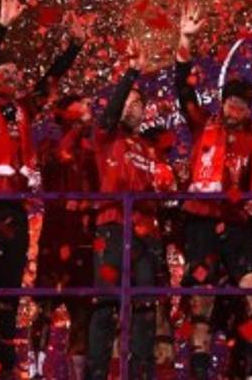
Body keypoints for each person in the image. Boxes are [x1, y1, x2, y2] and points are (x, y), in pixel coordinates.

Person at [0, 0, 80, 380]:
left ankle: (5, 363)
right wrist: (1, 27)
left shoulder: (24, 109)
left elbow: (51, 80)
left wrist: (74, 47)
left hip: (14, 210)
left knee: (10, 291)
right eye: (3, 74)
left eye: (15, 75)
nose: (9, 78)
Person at [173, 5, 252, 380]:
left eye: (242, 104)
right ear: (222, 102)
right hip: (201, 220)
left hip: (238, 223)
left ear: (249, 110)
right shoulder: (203, 125)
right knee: (201, 301)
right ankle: (199, 372)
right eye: (231, 100)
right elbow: (183, 90)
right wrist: (185, 40)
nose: (235, 107)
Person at [87, 39, 174, 380]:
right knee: (106, 305)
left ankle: (141, 375)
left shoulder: (150, 151)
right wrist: (132, 73)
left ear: (144, 112)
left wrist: (167, 190)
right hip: (112, 226)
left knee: (145, 309)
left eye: (137, 103)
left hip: (146, 235)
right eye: (127, 101)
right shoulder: (106, 136)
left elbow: (162, 191)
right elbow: (110, 113)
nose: (130, 107)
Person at [27, 16, 97, 380]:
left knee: (83, 312)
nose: (88, 111)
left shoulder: (94, 150)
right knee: (44, 306)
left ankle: (78, 374)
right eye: (81, 107)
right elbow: (56, 160)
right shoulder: (50, 146)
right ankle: (35, 370)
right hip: (56, 236)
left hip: (85, 239)